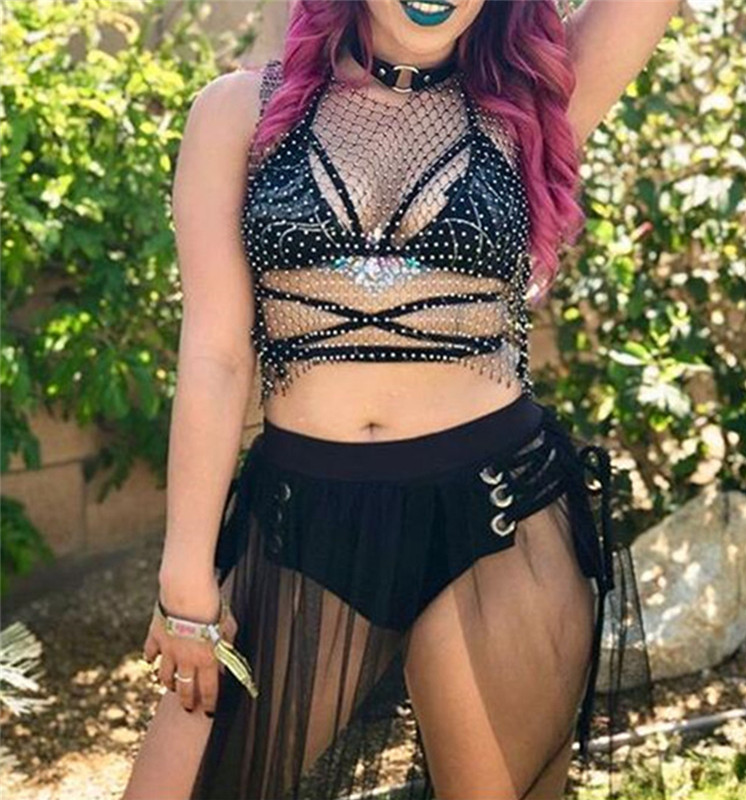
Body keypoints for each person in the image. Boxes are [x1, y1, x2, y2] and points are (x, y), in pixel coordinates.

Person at [123, 1, 681, 798]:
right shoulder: (238, 113)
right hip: (304, 520)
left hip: (497, 519)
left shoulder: (531, 100)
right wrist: (186, 578)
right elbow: (216, 353)